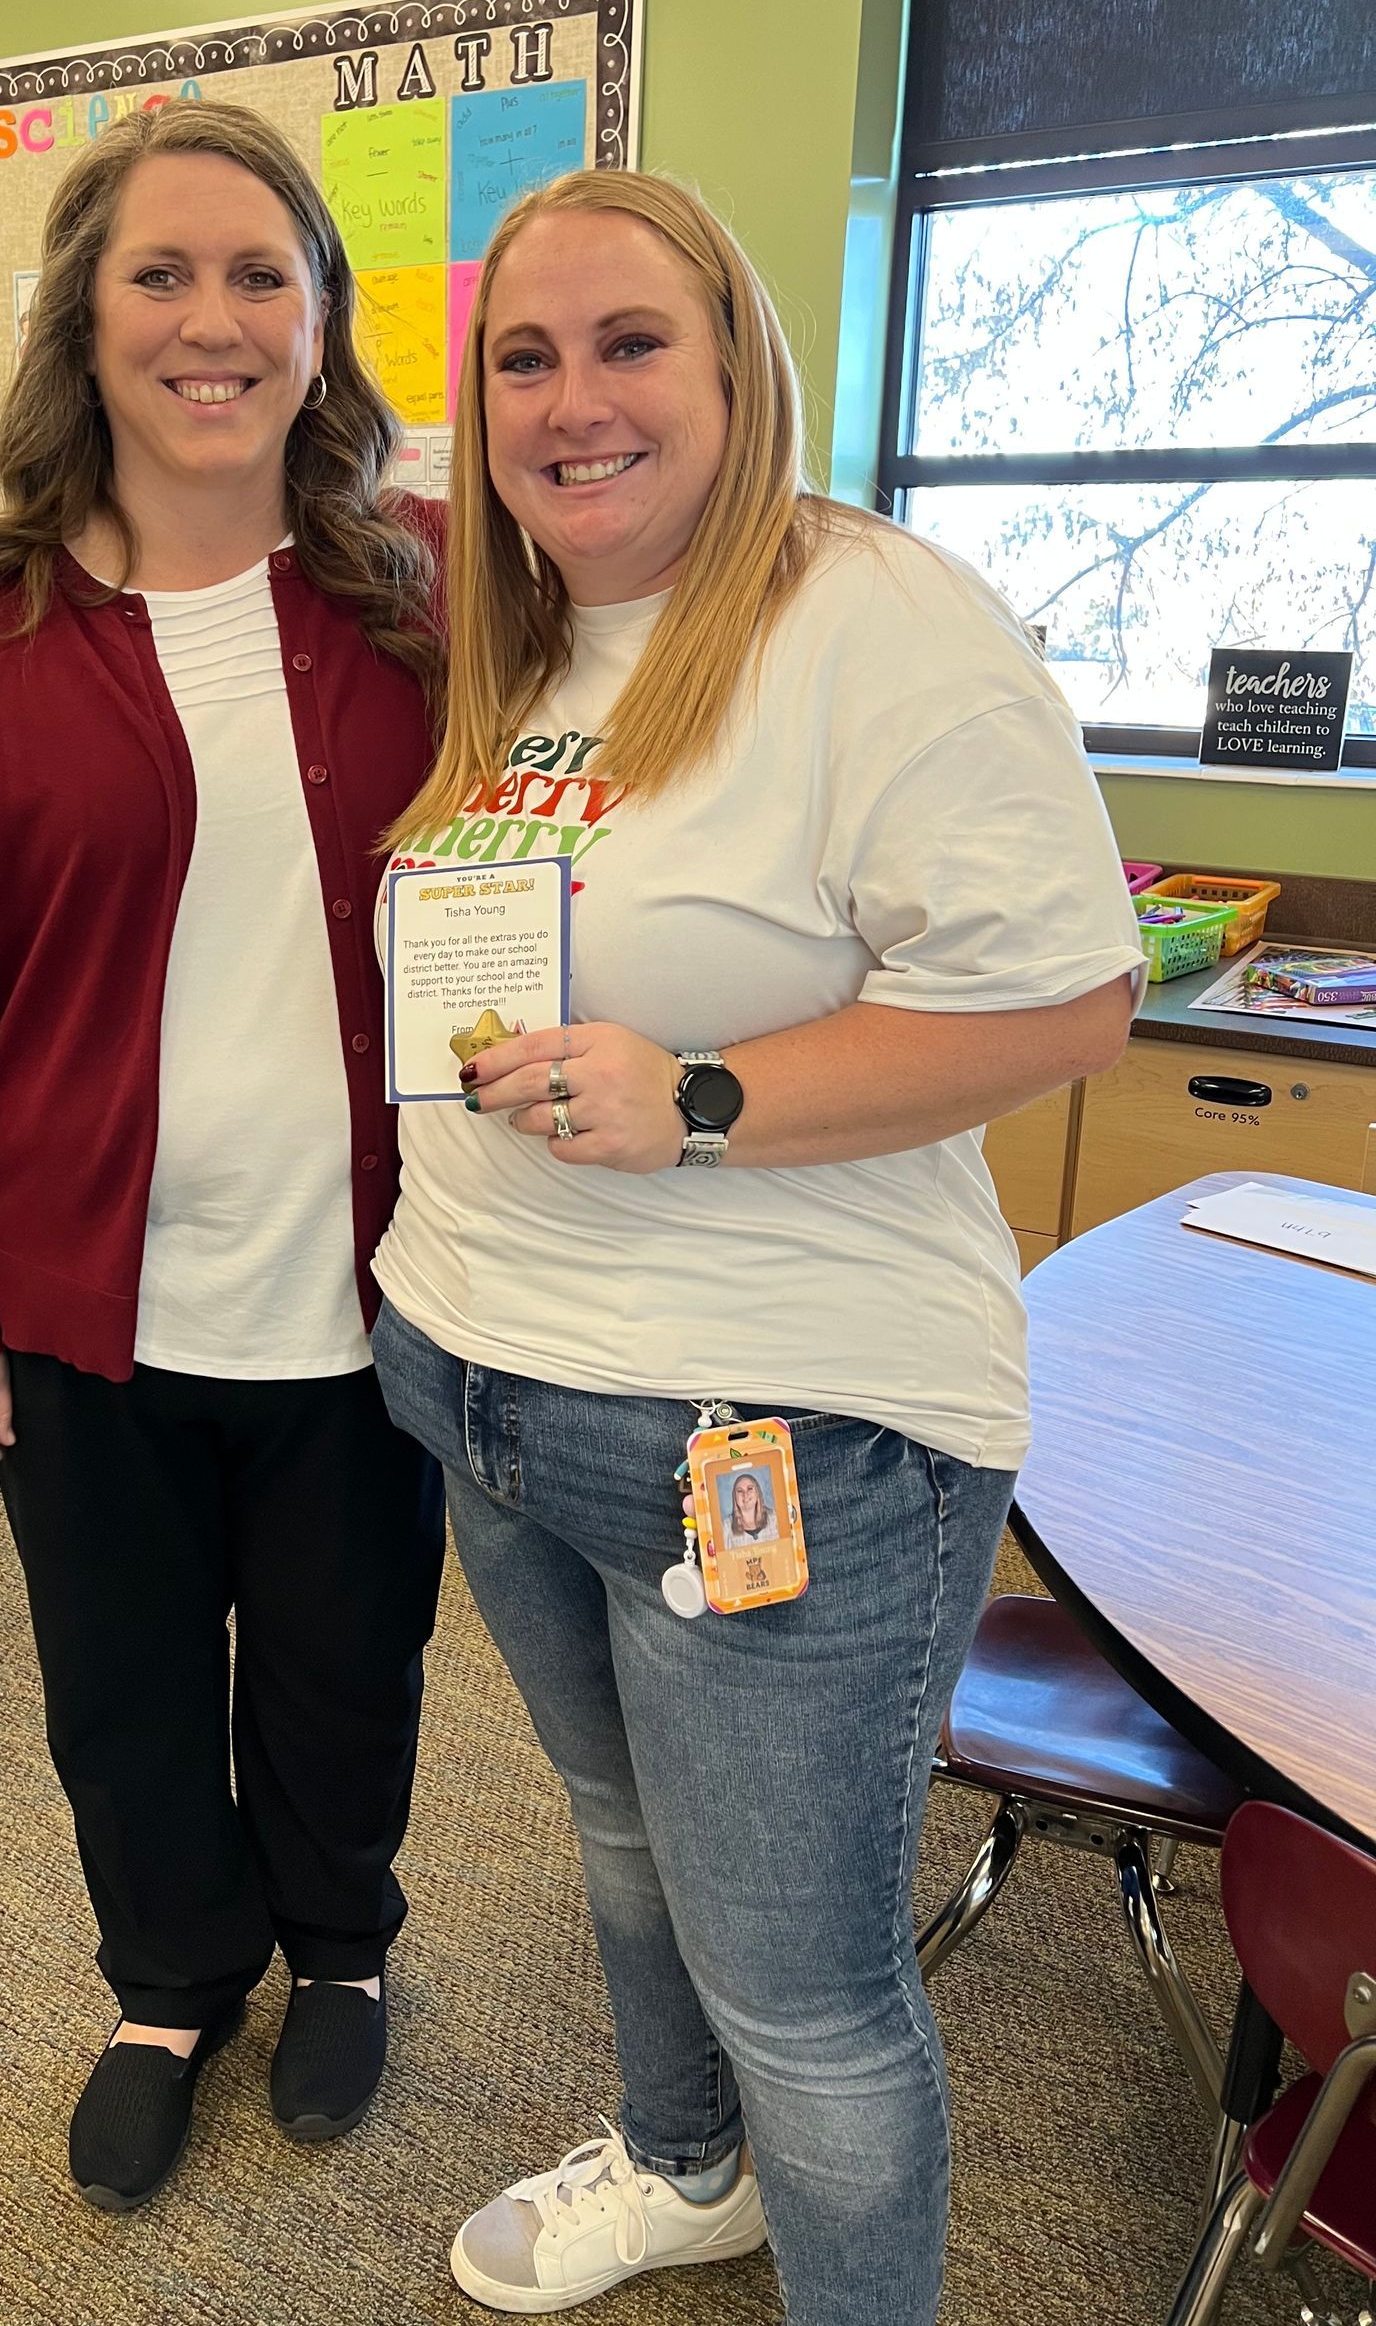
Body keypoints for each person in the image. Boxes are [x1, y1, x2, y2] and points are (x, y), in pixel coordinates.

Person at [368, 169, 1143, 2326]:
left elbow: (1067, 995)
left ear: (739, 367)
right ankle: (686, 2164)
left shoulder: (871, 616)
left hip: (780, 1422)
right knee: (623, 1853)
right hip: (486, 1374)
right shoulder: (512, 641)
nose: (570, 399)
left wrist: (704, 1096)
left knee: (808, 1989)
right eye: (523, 355)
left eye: (631, 344)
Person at [0, 100, 446, 2216]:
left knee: (345, 1660)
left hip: (370, 1291)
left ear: (319, 318)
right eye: (161, 276)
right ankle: (170, 1980)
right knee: (116, 1681)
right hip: (84, 1295)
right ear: (84, 327)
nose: (214, 319)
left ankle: (343, 1939)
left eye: (259, 273)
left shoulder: (421, 595)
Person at [719, 1467, 778, 1546]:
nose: (745, 1494)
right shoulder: (726, 1526)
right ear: (734, 1497)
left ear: (757, 1493)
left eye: (750, 1488)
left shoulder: (775, 1518)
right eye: (740, 1491)